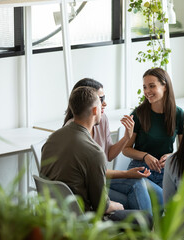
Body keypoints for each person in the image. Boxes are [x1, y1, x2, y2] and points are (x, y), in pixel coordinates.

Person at [63, 78, 154, 214]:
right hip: (88, 186)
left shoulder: (102, 118)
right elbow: (92, 174)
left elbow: (109, 155)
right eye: (101, 99)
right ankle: (146, 229)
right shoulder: (74, 129)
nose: (105, 103)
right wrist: (127, 174)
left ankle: (146, 229)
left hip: (101, 180)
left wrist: (126, 137)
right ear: (88, 102)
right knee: (133, 193)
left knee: (138, 185)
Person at [41, 86, 123, 215]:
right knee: (144, 217)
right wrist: (119, 206)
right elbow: (102, 207)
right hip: (81, 220)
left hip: (53, 215)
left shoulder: (52, 139)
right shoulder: (94, 152)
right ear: (95, 110)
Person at [123, 67, 184, 206]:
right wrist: (145, 156)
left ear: (165, 87)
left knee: (173, 204)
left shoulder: (178, 114)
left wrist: (171, 156)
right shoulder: (139, 113)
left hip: (166, 170)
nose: (147, 92)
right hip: (141, 170)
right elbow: (126, 149)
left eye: (152, 86)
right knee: (158, 203)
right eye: (145, 87)